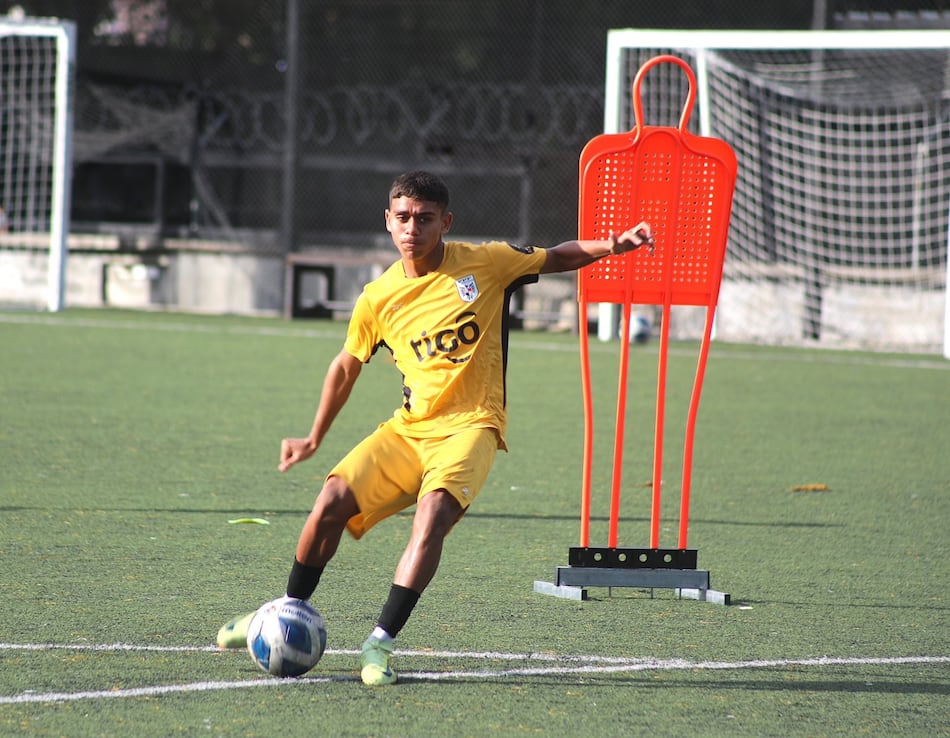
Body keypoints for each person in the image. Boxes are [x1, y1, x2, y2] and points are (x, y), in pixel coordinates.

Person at [217, 170, 654, 686]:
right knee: (331, 500)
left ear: (446, 222)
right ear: (387, 221)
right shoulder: (377, 297)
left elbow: (556, 256)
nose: (412, 228)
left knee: (431, 518)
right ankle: (283, 610)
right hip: (409, 430)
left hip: (473, 426)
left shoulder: (486, 263)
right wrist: (313, 437)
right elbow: (345, 366)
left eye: (425, 218)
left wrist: (613, 246)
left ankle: (378, 645)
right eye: (402, 217)